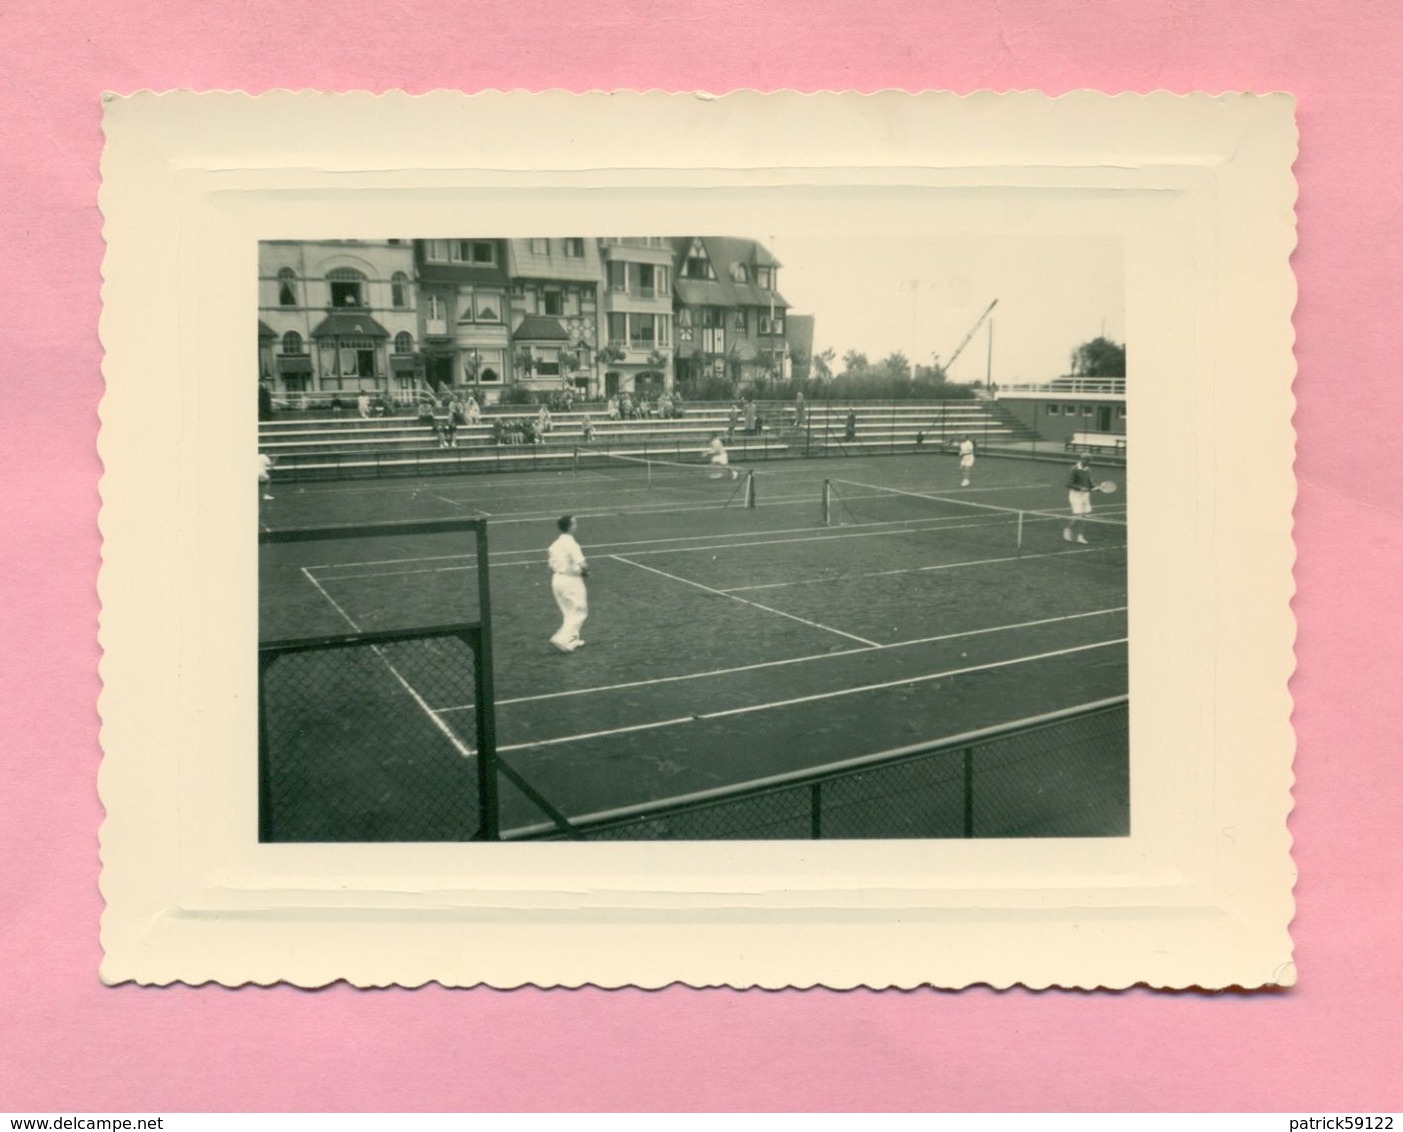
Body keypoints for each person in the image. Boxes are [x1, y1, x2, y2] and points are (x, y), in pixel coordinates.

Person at [547, 515, 588, 653]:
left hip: (557, 580)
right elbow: (582, 564)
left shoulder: (554, 545)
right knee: (580, 611)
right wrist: (585, 572)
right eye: (574, 524)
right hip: (571, 580)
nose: (576, 526)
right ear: (570, 527)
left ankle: (573, 640)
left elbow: (551, 564)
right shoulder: (572, 545)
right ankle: (562, 638)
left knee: (568, 611)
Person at [1064, 456, 1097, 544]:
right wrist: (1080, 488)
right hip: (1075, 495)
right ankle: (1068, 529)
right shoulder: (1074, 469)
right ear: (1081, 459)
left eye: (1089, 460)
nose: (1088, 461)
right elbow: (1068, 483)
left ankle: (1080, 537)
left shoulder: (1088, 469)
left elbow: (1090, 482)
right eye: (1086, 459)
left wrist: (1094, 486)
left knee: (1084, 517)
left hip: (1085, 495)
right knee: (1078, 516)